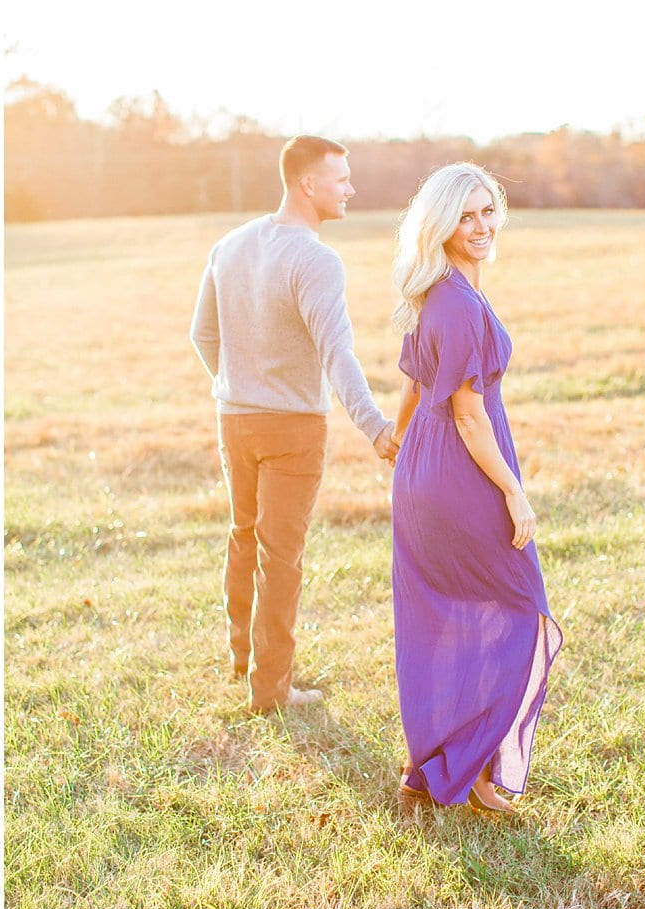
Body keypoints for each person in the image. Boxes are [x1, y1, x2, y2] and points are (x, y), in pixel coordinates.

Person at [191, 135, 399, 713]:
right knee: (279, 560)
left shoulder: (229, 245)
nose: (351, 188)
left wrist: (238, 385)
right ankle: (271, 692)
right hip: (292, 431)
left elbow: (201, 335)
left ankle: (242, 662)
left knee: (244, 536)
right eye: (341, 179)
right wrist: (376, 426)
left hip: (234, 419)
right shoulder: (315, 259)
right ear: (308, 184)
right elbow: (338, 355)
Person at [389, 162, 562, 813]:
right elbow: (467, 413)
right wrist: (514, 492)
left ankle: (445, 765)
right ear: (440, 223)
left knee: (447, 616)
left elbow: (411, 384)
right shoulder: (456, 302)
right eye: (466, 215)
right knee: (518, 608)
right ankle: (471, 770)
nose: (482, 225)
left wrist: (395, 442)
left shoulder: (440, 289)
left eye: (488, 211)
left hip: (424, 470)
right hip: (459, 472)